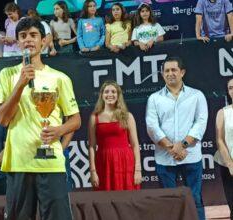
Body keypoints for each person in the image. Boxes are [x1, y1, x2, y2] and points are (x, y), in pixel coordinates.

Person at [0, 17, 81, 219]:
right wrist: (20, 84)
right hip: (19, 162)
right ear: (17, 42)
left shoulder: (60, 78)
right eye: (23, 36)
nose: (28, 40)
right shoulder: (7, 74)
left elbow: (75, 120)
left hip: (50, 162)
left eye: (33, 35)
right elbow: (3, 120)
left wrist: (58, 131)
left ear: (43, 41)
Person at [145, 57, 208, 220]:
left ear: (182, 72)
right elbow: (152, 126)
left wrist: (183, 145)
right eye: (166, 71)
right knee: (168, 204)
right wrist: (171, 147)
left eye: (174, 70)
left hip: (191, 156)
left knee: (195, 200)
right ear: (162, 74)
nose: (170, 73)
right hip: (165, 159)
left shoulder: (197, 95)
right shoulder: (154, 98)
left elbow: (200, 123)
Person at [88, 81, 142, 191]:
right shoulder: (94, 117)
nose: (110, 94)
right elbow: (92, 146)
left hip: (125, 162)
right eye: (106, 92)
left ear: (118, 95)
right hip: (103, 163)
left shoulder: (127, 116)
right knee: (104, 199)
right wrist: (93, 171)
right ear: (102, 95)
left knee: (128, 198)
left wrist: (137, 169)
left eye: (113, 92)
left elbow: (135, 145)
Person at [214, 78, 233, 220]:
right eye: (231, 88)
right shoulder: (223, 112)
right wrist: (230, 164)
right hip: (228, 165)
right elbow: (219, 140)